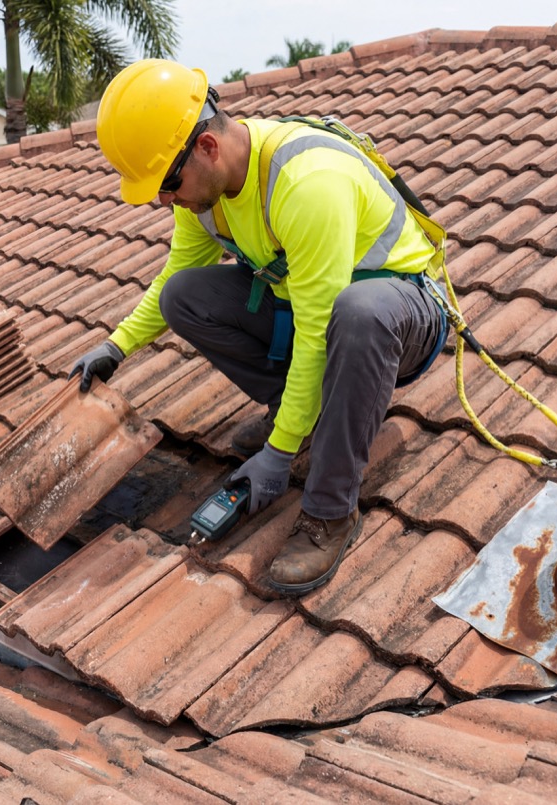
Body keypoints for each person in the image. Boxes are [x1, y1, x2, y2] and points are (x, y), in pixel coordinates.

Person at [71, 59, 445, 594]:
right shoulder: (202, 195)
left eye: (168, 183)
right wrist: (117, 345)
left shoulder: (307, 182)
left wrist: (279, 451)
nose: (164, 199)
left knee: (357, 314)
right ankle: (313, 415)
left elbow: (319, 329)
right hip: (312, 310)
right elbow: (172, 278)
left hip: (396, 315)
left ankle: (329, 512)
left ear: (207, 147)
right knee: (185, 296)